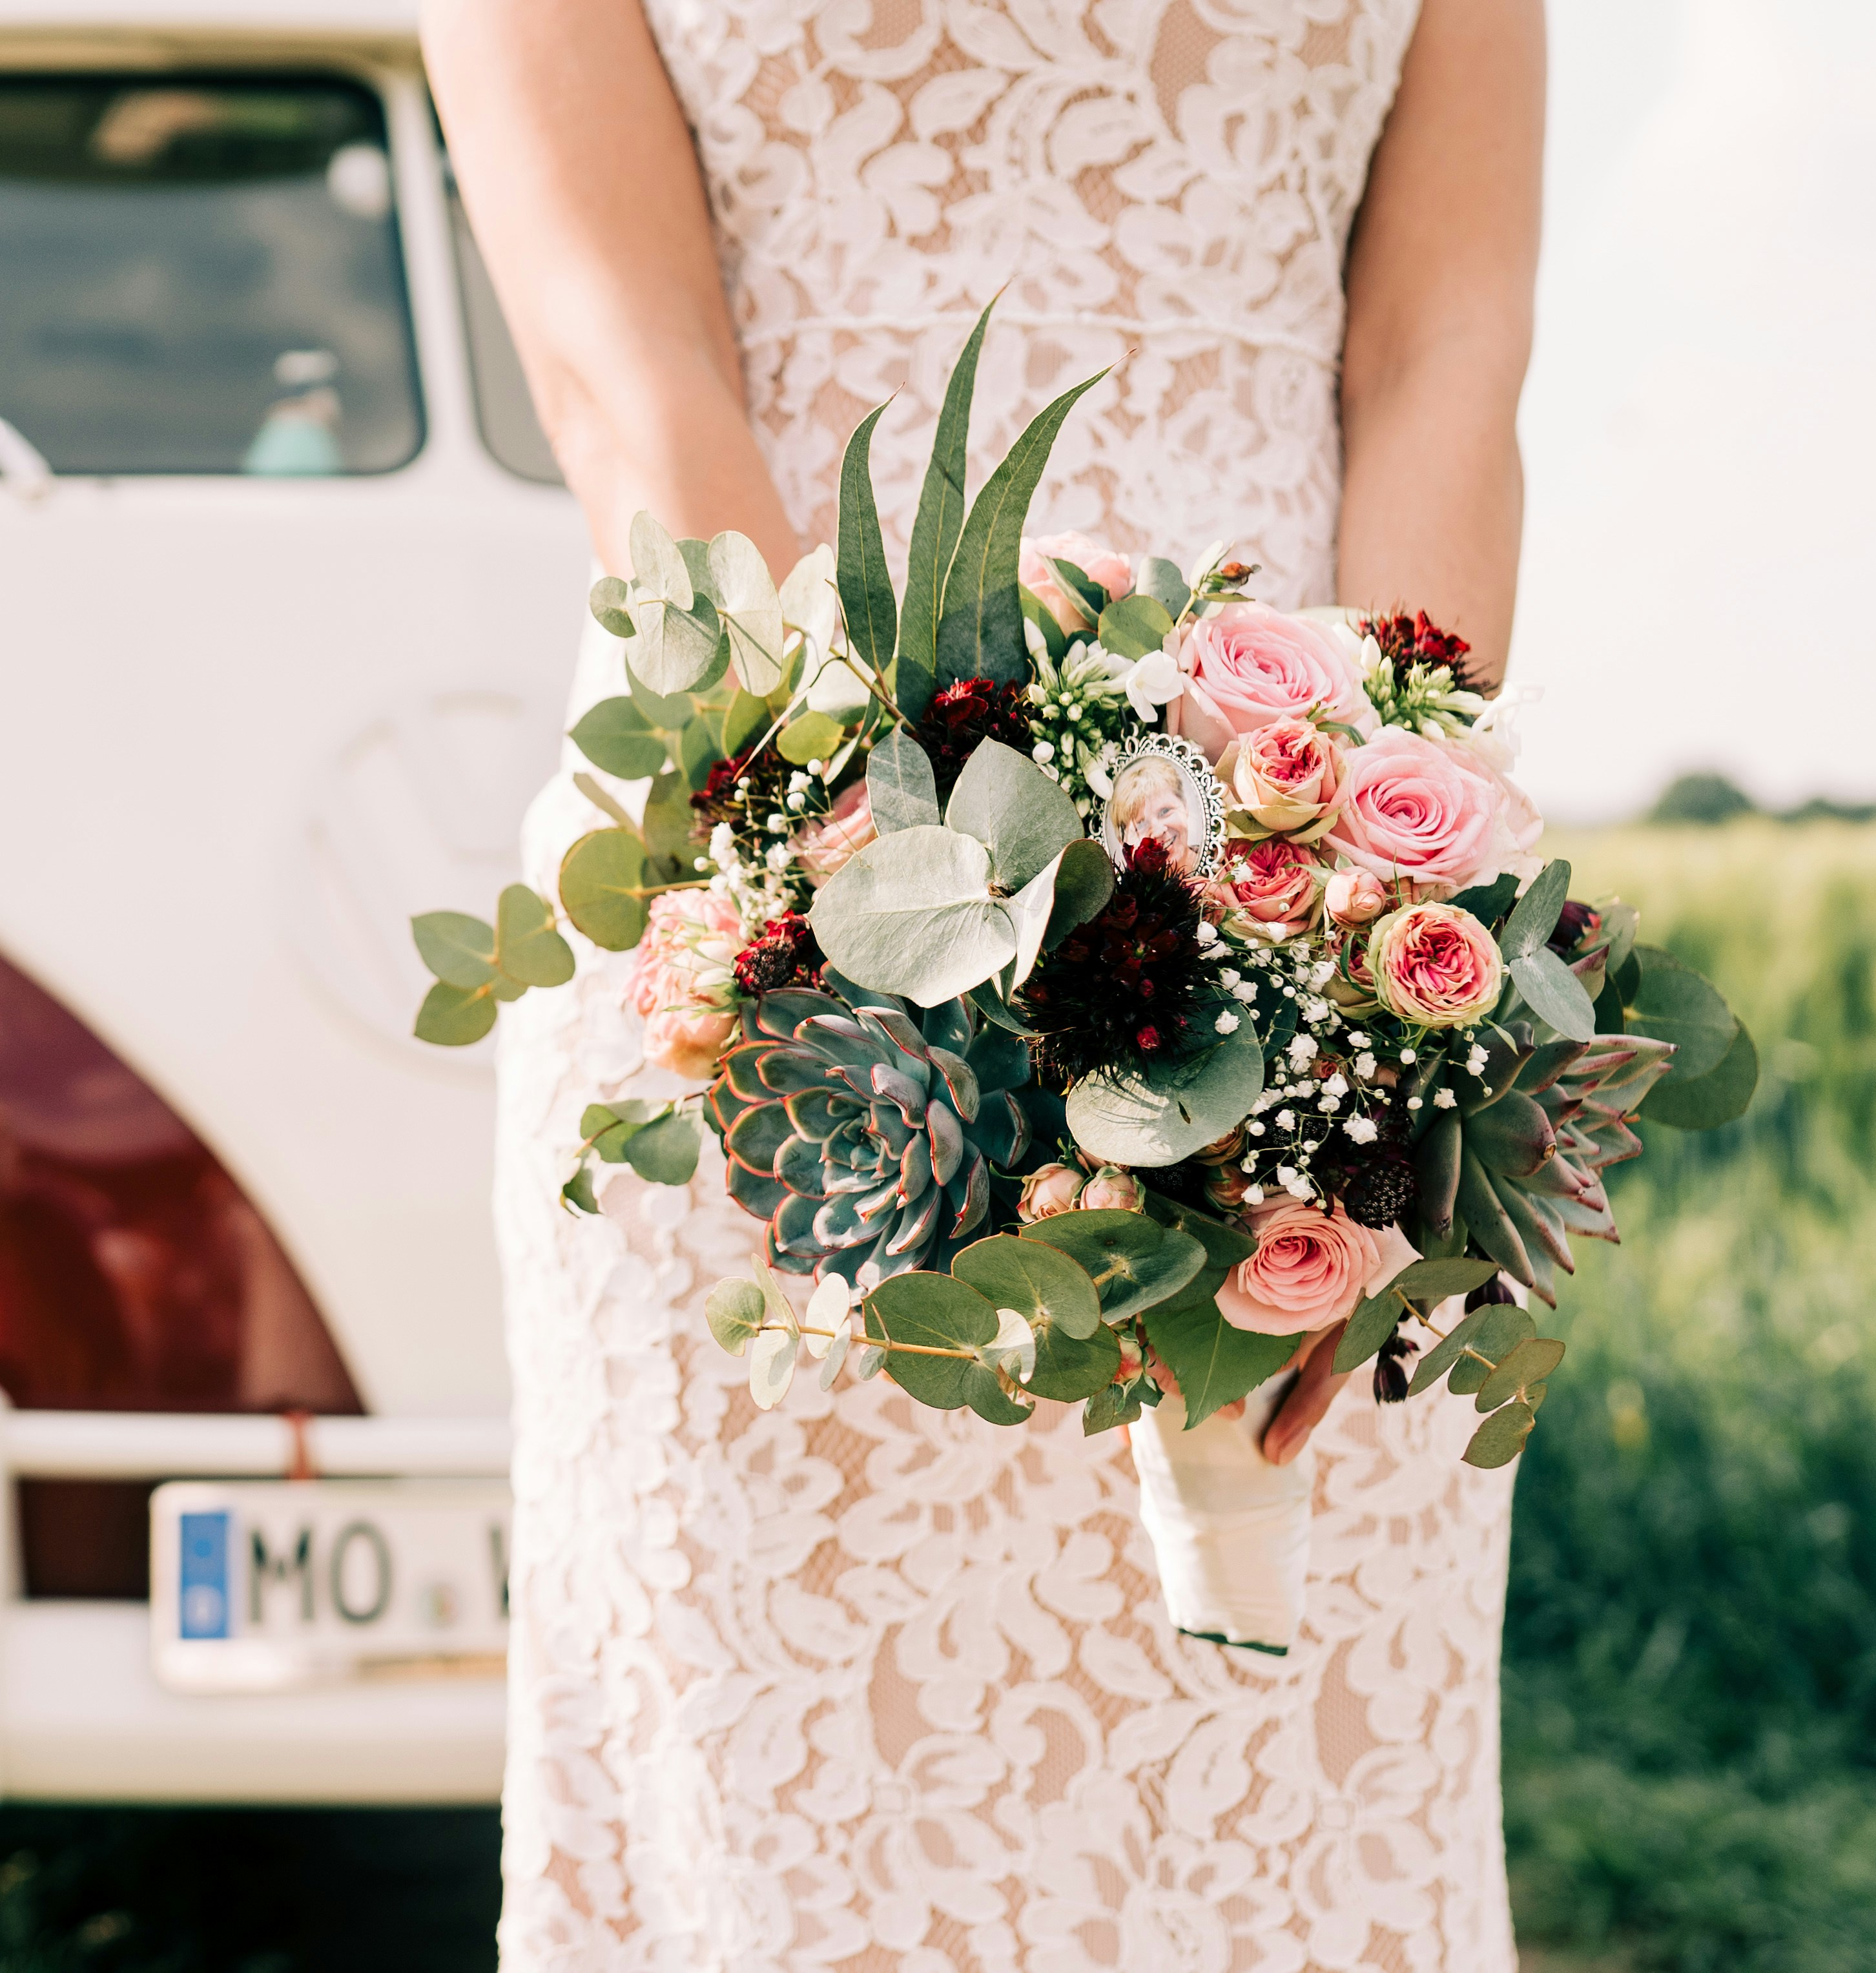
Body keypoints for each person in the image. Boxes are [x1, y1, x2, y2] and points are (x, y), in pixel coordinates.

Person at [426, 0, 1543, 1963]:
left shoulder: (1348, 947)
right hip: (769, 929)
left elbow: (1442, 351)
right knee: (789, 1846)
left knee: (1278, 1839)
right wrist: (881, 922)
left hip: (1323, 887)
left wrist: (1350, 948)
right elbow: (629, 368)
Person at [1106, 750, 1201, 876]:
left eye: (1165, 811)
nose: (1158, 831)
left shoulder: (1227, 862)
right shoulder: (1123, 895)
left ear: (1185, 806)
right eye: (1141, 825)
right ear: (1123, 843)